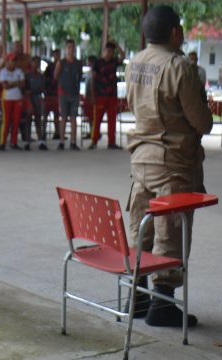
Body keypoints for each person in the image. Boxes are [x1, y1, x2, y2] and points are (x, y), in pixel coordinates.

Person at [125, 5, 212, 327]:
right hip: (174, 159)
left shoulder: (135, 61)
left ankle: (137, 296)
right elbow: (201, 122)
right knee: (170, 229)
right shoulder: (180, 67)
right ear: (175, 32)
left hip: (140, 157)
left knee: (140, 225)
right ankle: (162, 307)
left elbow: (133, 104)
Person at [89, 42, 124, 150]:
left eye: (112, 52)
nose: (110, 54)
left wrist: (118, 46)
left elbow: (123, 57)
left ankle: (111, 142)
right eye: (108, 51)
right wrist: (92, 94)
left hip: (112, 95)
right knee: (97, 119)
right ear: (104, 51)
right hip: (100, 95)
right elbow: (92, 79)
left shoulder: (114, 62)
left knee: (112, 119)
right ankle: (94, 141)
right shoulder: (98, 63)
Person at [54, 39, 83, 150]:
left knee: (73, 118)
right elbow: (55, 75)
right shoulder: (61, 62)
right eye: (69, 47)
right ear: (66, 49)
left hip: (74, 93)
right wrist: (63, 84)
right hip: (63, 93)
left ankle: (73, 142)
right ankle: (61, 141)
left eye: (72, 47)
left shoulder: (78, 63)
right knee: (64, 117)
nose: (71, 49)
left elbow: (79, 77)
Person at [0, 53, 25, 151]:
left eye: (15, 61)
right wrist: (15, 83)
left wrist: (11, 83)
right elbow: (5, 86)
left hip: (18, 98)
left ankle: (14, 142)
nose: (14, 62)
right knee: (6, 121)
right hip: (7, 99)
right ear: (8, 61)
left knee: (16, 121)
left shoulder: (19, 71)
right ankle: (2, 142)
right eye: (12, 60)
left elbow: (22, 84)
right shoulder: (3, 71)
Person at [24, 56, 48, 151]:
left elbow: (43, 88)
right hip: (29, 98)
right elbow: (24, 88)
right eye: (35, 62)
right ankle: (27, 142)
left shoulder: (41, 76)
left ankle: (40, 141)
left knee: (38, 120)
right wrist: (28, 94)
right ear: (31, 63)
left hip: (38, 98)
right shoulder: (27, 75)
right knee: (28, 120)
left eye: (39, 63)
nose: (37, 64)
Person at [44, 49, 61, 139]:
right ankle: (43, 132)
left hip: (58, 93)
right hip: (49, 93)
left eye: (58, 54)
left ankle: (57, 132)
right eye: (56, 54)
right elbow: (45, 79)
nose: (57, 56)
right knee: (46, 113)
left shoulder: (62, 65)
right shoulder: (49, 66)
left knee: (57, 114)